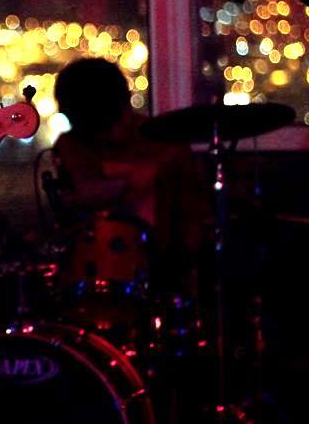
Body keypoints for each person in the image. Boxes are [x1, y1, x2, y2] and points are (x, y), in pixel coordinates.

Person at [52, 57, 208, 305]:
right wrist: (134, 178)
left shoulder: (164, 142)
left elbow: (192, 216)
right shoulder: (70, 144)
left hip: (166, 269)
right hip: (91, 275)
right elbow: (80, 193)